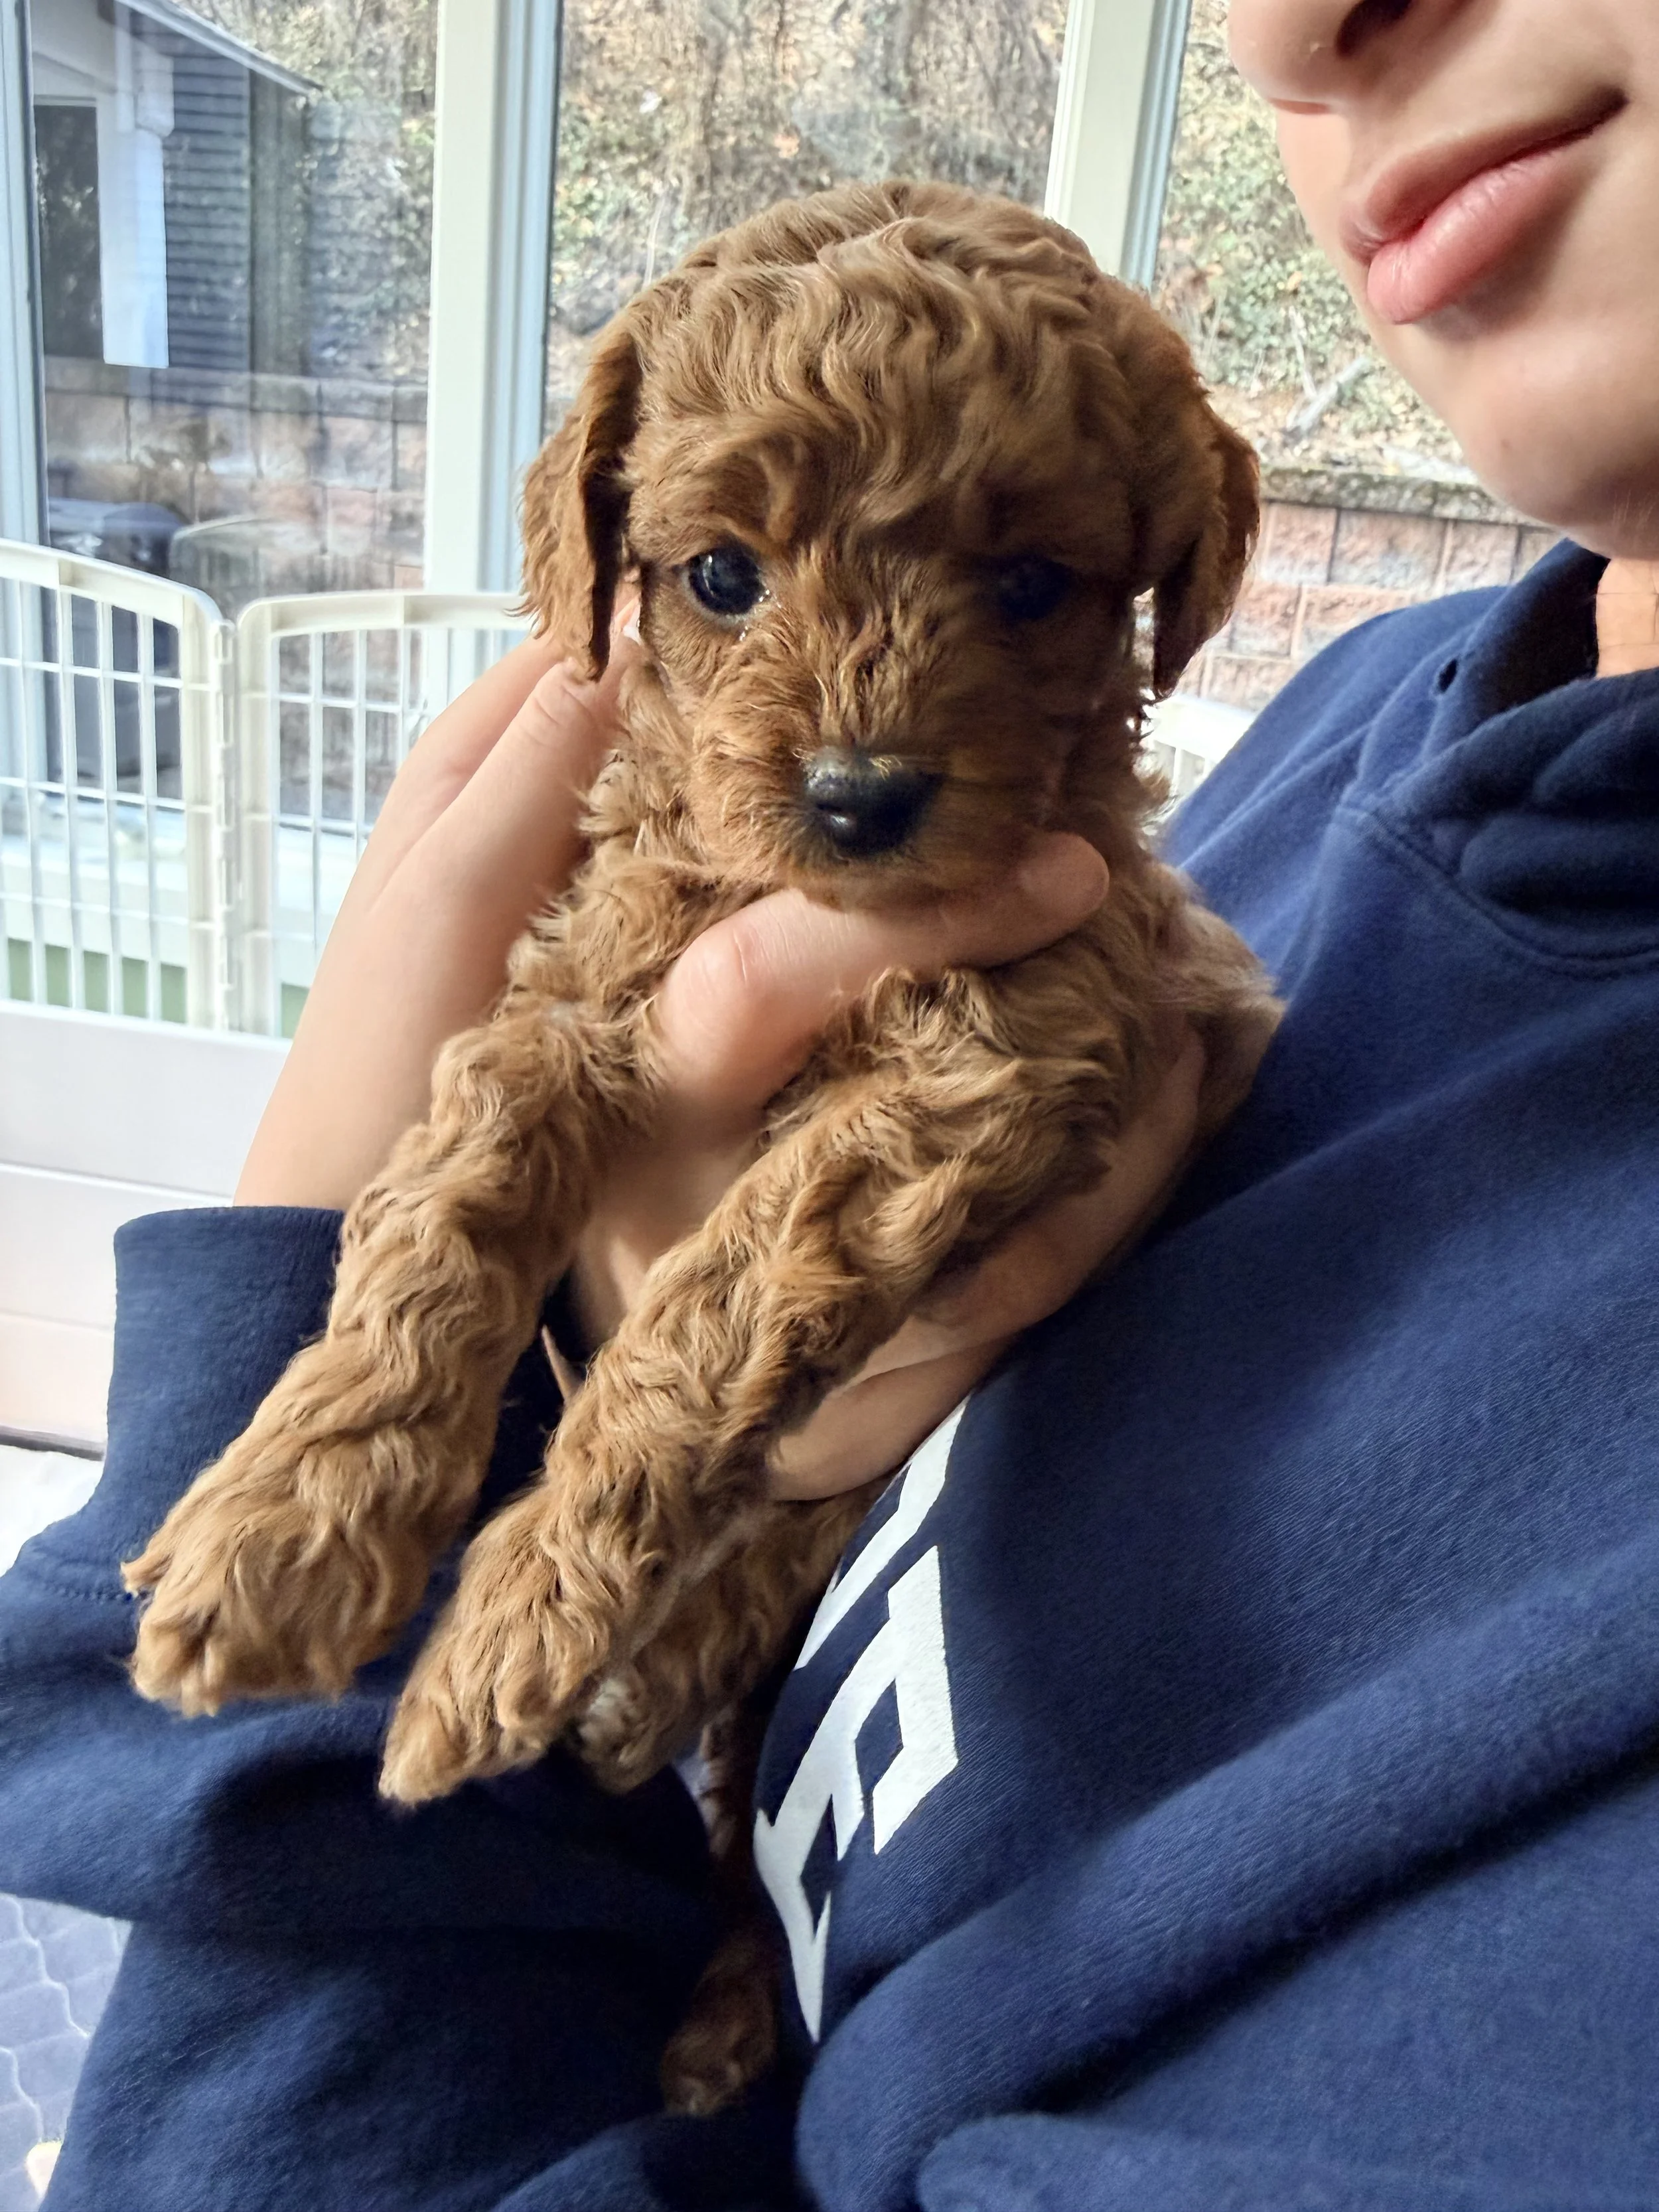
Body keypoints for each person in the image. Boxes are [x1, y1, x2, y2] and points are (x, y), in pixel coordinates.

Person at [5, 0, 1658, 2202]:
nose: (1275, 20)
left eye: (1022, 587)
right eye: (720, 576)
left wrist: (502, 1426)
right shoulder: (1372, 721)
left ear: (1157, 584)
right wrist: (402, 1329)